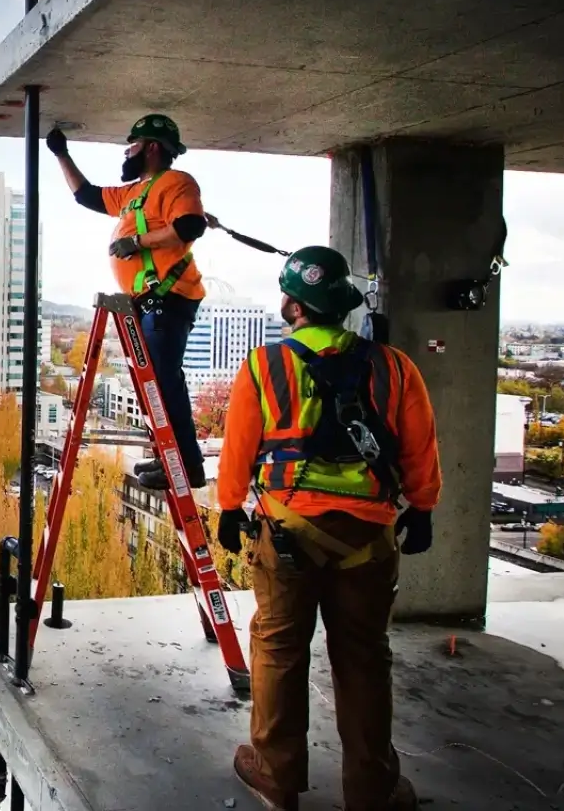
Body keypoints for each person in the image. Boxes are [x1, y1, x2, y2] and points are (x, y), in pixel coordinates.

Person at [215, 245, 441, 811]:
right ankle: (372, 789)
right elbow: (420, 450)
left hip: (288, 530)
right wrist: (425, 507)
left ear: (293, 305)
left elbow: (238, 451)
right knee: (364, 657)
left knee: (279, 649)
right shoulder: (394, 367)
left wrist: (227, 508)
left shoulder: (265, 366)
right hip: (368, 537)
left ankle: (275, 775)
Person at [46, 114, 213, 488]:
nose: (127, 151)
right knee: (153, 383)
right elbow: (87, 195)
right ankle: (172, 461)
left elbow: (191, 225)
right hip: (150, 302)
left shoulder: (176, 183)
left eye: (133, 144)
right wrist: (62, 155)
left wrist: (137, 243)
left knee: (164, 384)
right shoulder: (135, 193)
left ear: (152, 147)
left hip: (167, 299)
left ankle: (186, 465)